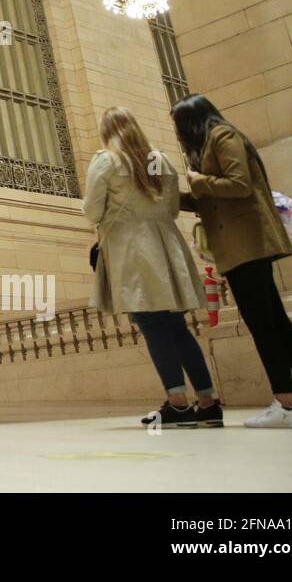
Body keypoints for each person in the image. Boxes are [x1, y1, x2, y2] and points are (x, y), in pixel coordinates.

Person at [172, 94, 292, 428]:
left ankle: (286, 405)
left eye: (178, 124)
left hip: (247, 245)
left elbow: (238, 184)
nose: (177, 132)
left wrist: (197, 180)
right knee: (278, 324)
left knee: (265, 328)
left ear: (192, 120)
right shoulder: (213, 143)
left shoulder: (222, 137)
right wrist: (173, 198)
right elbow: (215, 198)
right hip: (240, 247)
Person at [83, 107, 221, 428]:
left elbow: (92, 211)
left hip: (132, 251)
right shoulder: (159, 159)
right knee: (177, 328)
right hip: (167, 248)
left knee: (152, 325)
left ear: (107, 132)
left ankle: (177, 403)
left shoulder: (106, 160)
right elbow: (172, 208)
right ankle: (208, 400)